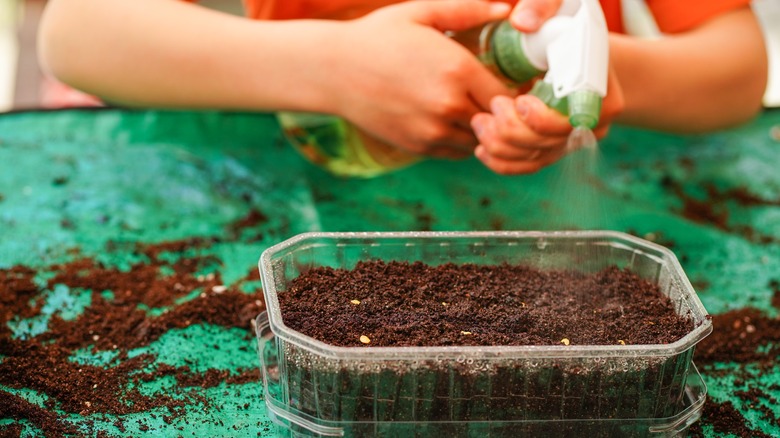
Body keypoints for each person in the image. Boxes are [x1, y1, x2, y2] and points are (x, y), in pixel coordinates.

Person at [37, 0, 768, 175]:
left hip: (548, 197)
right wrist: (328, 66)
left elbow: (738, 68)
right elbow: (76, 30)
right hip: (285, 184)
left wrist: (617, 74)